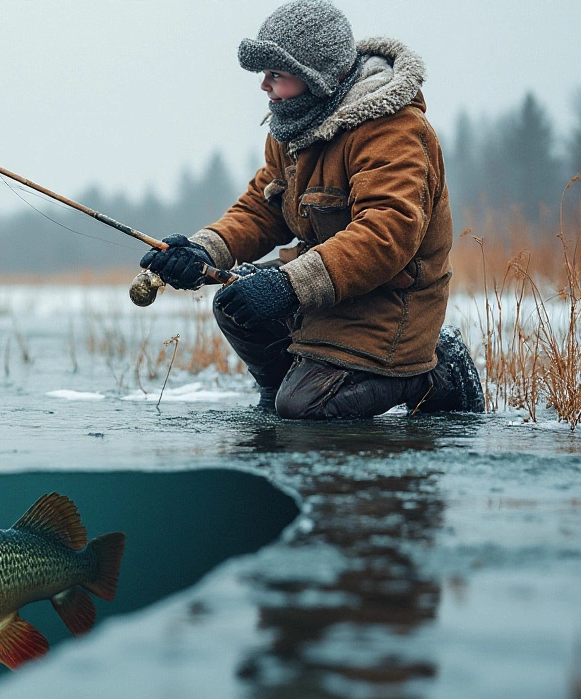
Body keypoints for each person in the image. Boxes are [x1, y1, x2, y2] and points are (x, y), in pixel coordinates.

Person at [140, 0, 484, 420]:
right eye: (264, 74)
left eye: (276, 75)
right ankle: (284, 391)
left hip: (393, 305)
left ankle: (432, 372)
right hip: (331, 294)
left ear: (320, 78)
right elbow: (261, 210)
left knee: (305, 407)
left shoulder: (392, 130)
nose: (264, 86)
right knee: (235, 303)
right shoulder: (292, 126)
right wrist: (204, 251)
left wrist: (287, 286)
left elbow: (385, 234)